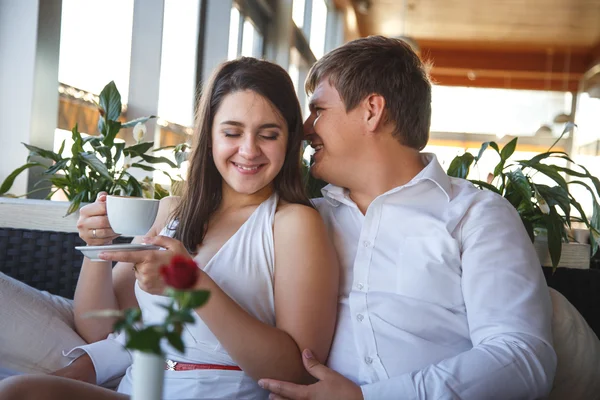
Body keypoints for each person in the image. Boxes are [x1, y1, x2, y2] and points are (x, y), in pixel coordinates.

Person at [0, 57, 339, 399]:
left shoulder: (294, 223)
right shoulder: (173, 211)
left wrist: (192, 284)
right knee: (17, 391)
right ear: (209, 136)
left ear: (289, 139)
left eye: (268, 134)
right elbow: (100, 328)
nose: (249, 150)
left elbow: (300, 372)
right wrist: (98, 248)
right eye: (232, 132)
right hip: (139, 387)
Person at [258, 35, 557, 399]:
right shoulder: (305, 222)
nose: (305, 129)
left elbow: (524, 358)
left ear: (372, 110)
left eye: (319, 110)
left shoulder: (477, 216)